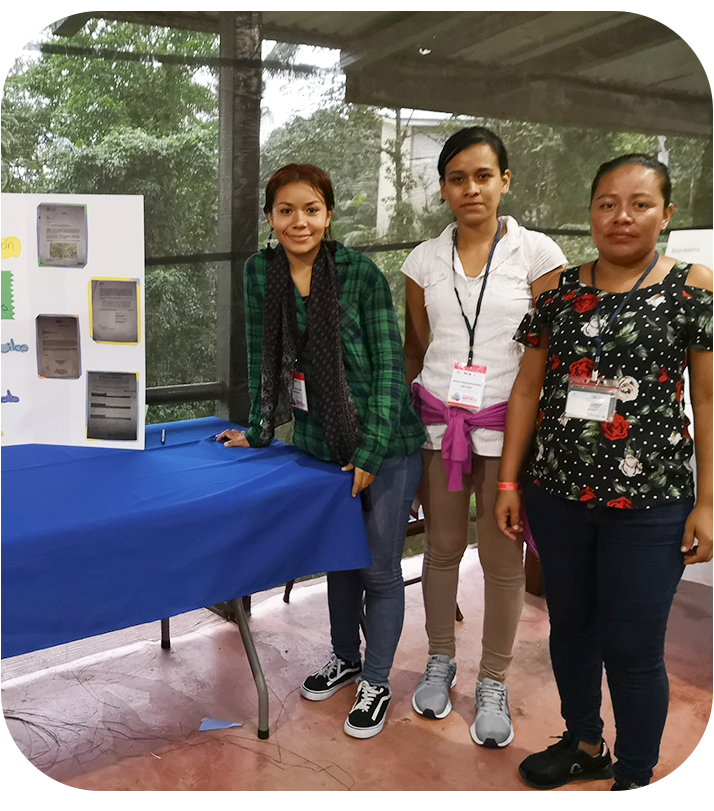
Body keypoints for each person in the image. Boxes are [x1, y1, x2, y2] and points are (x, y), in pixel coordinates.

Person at [495, 154, 712, 791]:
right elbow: (527, 392)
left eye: (640, 204)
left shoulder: (692, 288)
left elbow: (707, 399)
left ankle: (636, 776)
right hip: (558, 494)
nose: (622, 217)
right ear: (590, 211)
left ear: (666, 214)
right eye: (607, 203)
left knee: (632, 644)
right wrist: (509, 482)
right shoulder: (557, 291)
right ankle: (584, 741)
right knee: (572, 627)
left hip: (652, 502)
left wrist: (708, 502)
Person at [217, 164, 425, 739]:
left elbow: (390, 371)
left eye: (311, 209)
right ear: (270, 218)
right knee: (339, 559)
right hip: (314, 441)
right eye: (286, 210)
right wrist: (259, 429)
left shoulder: (358, 274)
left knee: (379, 570)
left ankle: (376, 680)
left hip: (385, 443)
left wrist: (371, 451)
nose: (299, 221)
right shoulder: (260, 271)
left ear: (328, 215)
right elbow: (263, 354)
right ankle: (346, 656)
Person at [402, 127, 566, 747]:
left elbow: (549, 357)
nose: (471, 188)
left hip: (508, 430)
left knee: (501, 561)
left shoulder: (538, 255)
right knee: (441, 548)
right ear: (443, 188)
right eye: (457, 178)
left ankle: (493, 677)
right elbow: (419, 348)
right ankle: (440, 659)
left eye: (482, 175)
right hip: (439, 426)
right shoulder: (422, 260)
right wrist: (402, 434)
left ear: (505, 181)